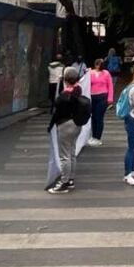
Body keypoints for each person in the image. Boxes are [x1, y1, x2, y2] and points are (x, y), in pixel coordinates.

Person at [48, 67, 88, 195]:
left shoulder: (64, 96)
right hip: (76, 124)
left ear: (65, 79)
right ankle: (70, 179)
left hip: (65, 125)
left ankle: (64, 183)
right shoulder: (78, 89)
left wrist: (50, 126)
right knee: (71, 153)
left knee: (64, 155)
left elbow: (56, 112)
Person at [88, 59, 115, 147]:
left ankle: (98, 137)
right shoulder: (90, 73)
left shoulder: (106, 73)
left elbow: (110, 86)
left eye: (99, 64)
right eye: (96, 64)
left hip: (102, 97)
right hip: (92, 97)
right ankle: (93, 136)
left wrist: (110, 98)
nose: (97, 66)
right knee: (93, 117)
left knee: (99, 117)